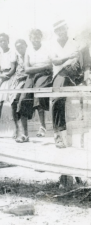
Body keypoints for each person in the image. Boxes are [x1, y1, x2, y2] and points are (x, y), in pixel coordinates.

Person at [50, 20, 85, 148]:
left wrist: (75, 60)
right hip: (59, 73)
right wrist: (68, 57)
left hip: (73, 74)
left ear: (66, 28)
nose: (61, 32)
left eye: (63, 28)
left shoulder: (74, 42)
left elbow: (78, 58)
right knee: (57, 98)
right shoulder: (52, 44)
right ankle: (57, 134)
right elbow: (55, 61)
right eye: (58, 30)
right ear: (55, 32)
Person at [14, 30, 53, 143]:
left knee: (38, 94)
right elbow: (27, 69)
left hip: (45, 75)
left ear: (41, 37)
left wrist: (41, 68)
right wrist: (43, 67)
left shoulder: (47, 49)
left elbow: (50, 66)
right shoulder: (28, 51)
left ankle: (42, 126)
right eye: (33, 37)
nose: (35, 39)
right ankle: (24, 134)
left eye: (37, 37)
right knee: (23, 100)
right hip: (32, 75)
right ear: (30, 39)